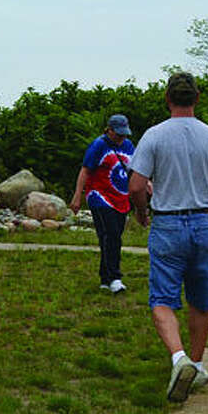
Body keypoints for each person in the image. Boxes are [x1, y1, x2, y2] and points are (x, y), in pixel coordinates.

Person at [128, 72, 208, 403]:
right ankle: (198, 364)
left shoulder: (154, 136)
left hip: (168, 224)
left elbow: (136, 186)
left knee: (162, 298)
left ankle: (179, 359)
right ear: (197, 97)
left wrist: (142, 212)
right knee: (201, 299)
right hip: (205, 222)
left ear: (167, 98)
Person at [69, 113, 134, 293]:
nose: (122, 138)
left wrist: (146, 183)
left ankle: (105, 278)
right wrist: (77, 195)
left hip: (120, 197)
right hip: (100, 197)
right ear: (109, 130)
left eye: (124, 134)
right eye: (118, 134)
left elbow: (133, 169)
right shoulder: (99, 145)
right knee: (111, 235)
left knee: (112, 236)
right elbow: (85, 170)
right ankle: (115, 278)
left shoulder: (128, 146)